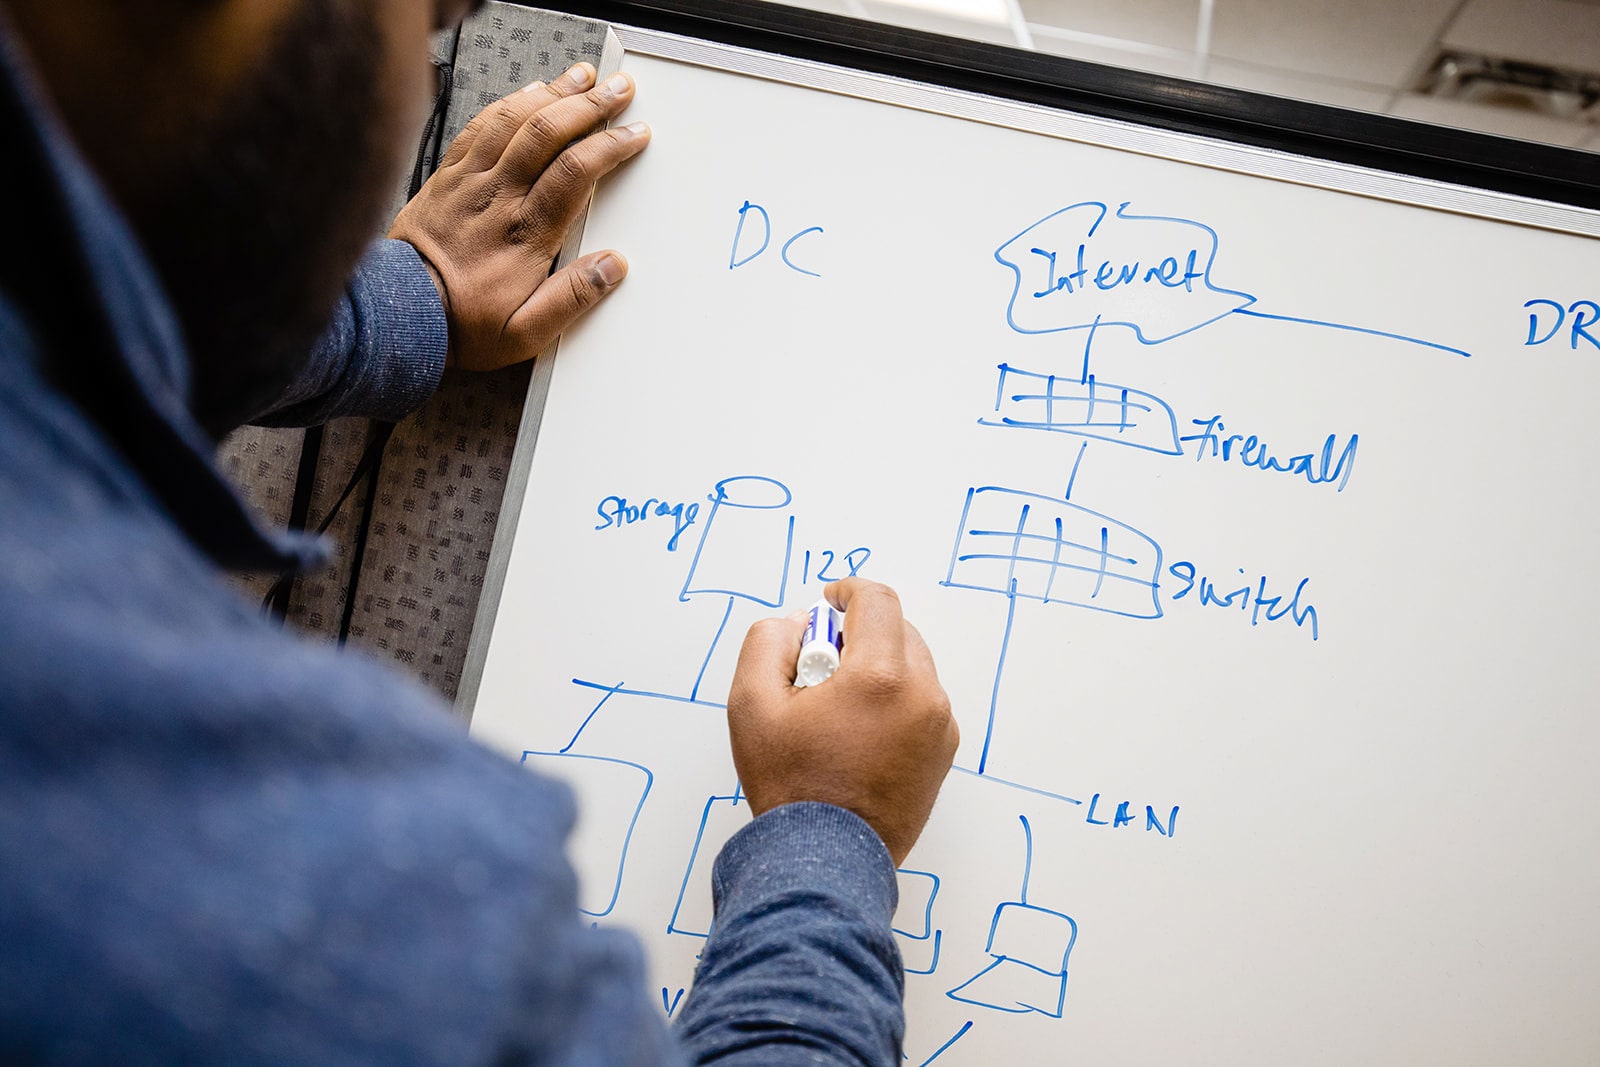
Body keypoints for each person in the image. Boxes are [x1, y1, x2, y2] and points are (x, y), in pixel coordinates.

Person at [0, 0, 959, 1063]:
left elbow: (63, 304)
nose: (428, 75)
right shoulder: (317, 866)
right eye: (427, 30)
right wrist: (831, 831)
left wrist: (400, 306)